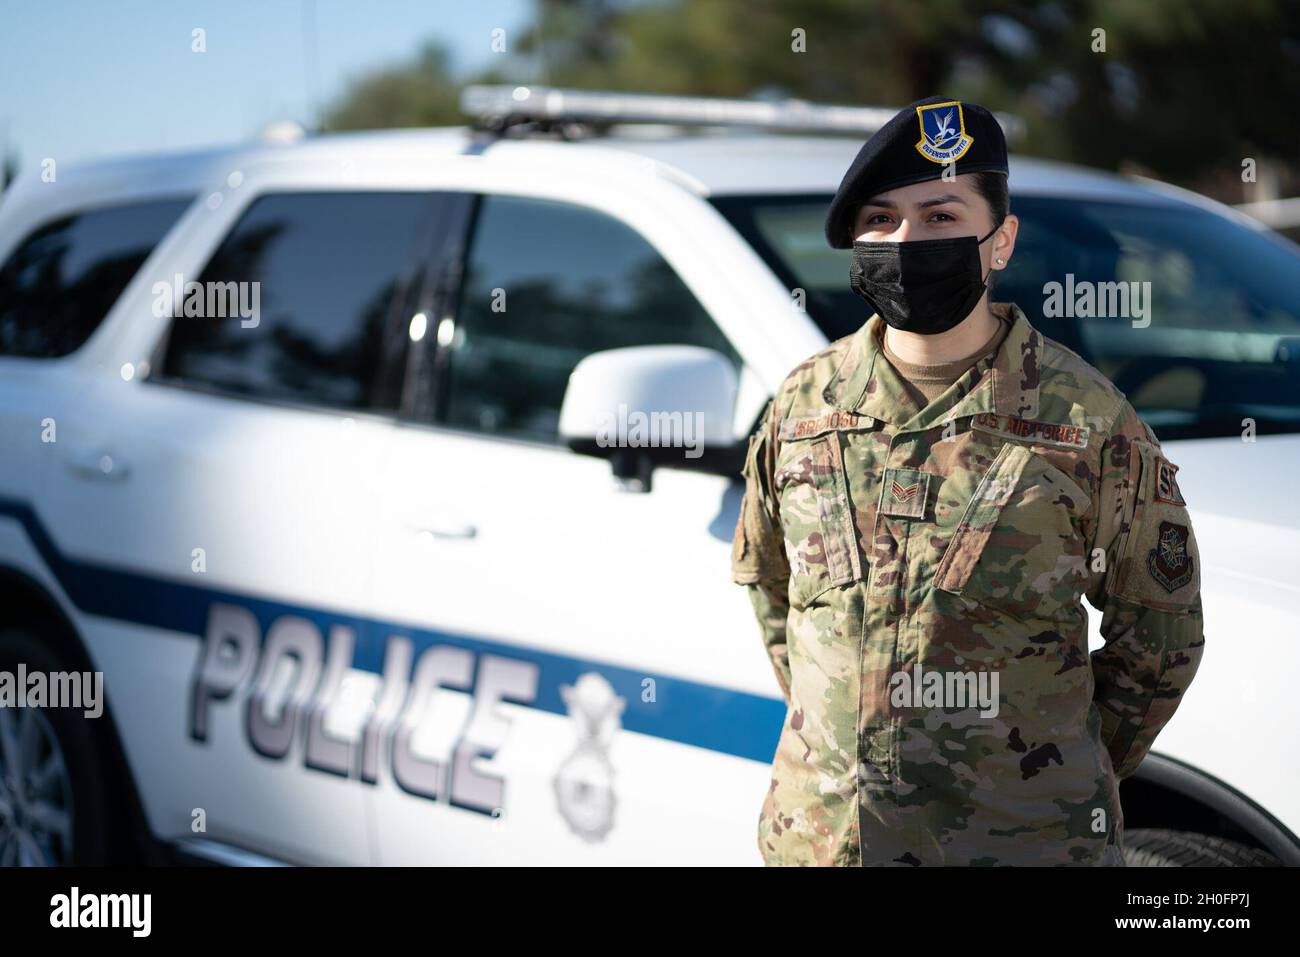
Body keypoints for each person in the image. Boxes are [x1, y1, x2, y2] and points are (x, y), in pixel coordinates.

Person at [730, 96, 1205, 866]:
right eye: (880, 219)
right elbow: (773, 591)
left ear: (1000, 240)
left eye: (941, 214)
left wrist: (1044, 773)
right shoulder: (801, 406)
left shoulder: (1087, 421)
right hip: (823, 844)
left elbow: (1159, 641)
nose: (907, 239)